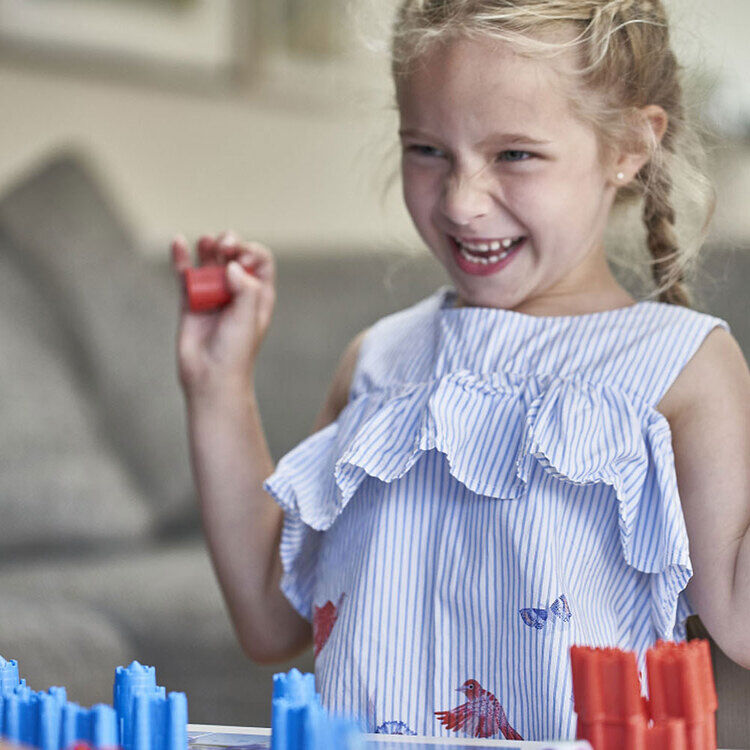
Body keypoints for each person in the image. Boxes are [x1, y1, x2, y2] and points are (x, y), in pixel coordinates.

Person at [170, 0, 750, 740]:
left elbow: (741, 626)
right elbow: (268, 617)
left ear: (630, 146)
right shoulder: (380, 361)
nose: (461, 200)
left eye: (515, 155)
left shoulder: (685, 367)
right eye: (427, 149)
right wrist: (217, 385)